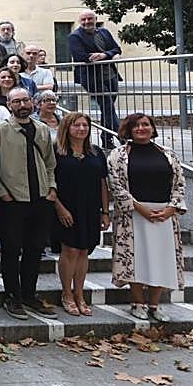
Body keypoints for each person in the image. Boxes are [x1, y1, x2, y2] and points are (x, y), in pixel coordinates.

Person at [108, 113, 187, 322]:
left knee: (161, 260)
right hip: (134, 215)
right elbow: (116, 186)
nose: (141, 128)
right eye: (136, 126)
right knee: (136, 260)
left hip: (164, 216)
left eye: (146, 124)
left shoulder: (168, 154)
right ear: (129, 129)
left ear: (153, 128)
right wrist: (139, 208)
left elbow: (180, 183)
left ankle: (154, 304)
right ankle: (138, 303)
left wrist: (171, 208)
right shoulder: (118, 155)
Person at [0, 87, 59, 320]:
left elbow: (50, 163)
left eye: (25, 100)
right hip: (12, 200)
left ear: (32, 103)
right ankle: (13, 296)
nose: (22, 105)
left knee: (35, 249)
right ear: (9, 105)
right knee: (11, 250)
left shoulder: (41, 129)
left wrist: (51, 189)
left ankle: (29, 294)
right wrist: (3, 194)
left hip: (40, 198)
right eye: (16, 101)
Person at [52, 112, 110, 316]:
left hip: (90, 208)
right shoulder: (56, 151)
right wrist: (59, 208)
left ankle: (79, 294)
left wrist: (105, 212)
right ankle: (66, 294)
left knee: (84, 250)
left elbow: (103, 183)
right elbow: (50, 183)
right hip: (66, 207)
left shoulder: (96, 153)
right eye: (76, 125)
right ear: (67, 128)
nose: (81, 129)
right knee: (70, 250)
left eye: (85, 125)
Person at [68, 9, 122, 148]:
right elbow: (80, 56)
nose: (87, 22)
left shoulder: (104, 32)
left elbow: (117, 49)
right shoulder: (75, 36)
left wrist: (104, 55)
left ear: (95, 19)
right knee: (108, 105)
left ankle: (106, 139)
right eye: (83, 19)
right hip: (91, 77)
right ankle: (124, 137)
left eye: (89, 19)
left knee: (107, 108)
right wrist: (103, 55)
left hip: (110, 74)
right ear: (80, 21)